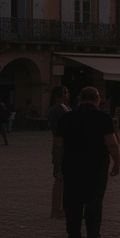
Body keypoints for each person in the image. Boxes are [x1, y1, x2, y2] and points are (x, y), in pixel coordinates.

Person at [54, 87, 120, 238]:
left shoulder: (66, 117)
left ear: (79, 99)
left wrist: (58, 165)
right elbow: (111, 143)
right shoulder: (103, 117)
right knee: (94, 201)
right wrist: (117, 162)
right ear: (97, 99)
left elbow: (58, 145)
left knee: (72, 202)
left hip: (72, 164)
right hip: (96, 165)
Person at [46, 86, 71, 219]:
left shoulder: (60, 108)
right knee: (60, 177)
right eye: (66, 92)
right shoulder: (58, 109)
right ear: (59, 95)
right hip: (61, 145)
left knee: (64, 178)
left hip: (62, 144)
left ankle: (63, 208)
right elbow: (62, 129)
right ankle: (56, 210)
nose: (68, 94)